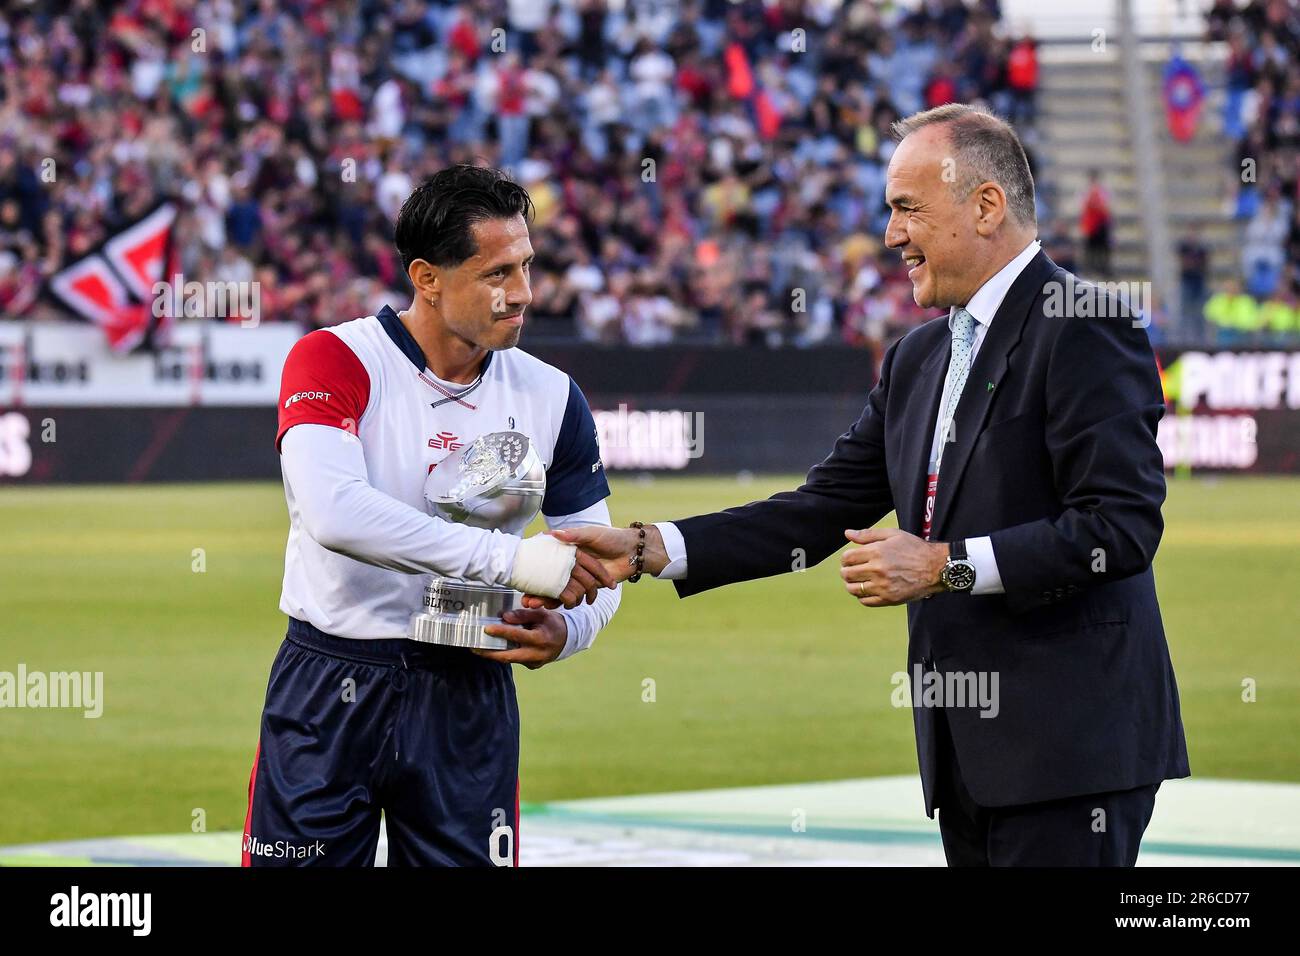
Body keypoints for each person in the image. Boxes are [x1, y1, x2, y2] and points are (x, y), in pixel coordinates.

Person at [555, 105, 1189, 867]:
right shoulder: (919, 356)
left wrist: (944, 564)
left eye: (907, 209)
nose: (891, 235)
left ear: (986, 206)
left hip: (1073, 755)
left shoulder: (1085, 323)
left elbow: (1117, 530)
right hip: (968, 761)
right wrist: (649, 546)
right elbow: (821, 509)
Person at [243, 165, 620, 867]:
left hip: (468, 686)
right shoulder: (334, 358)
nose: (523, 295)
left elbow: (596, 556)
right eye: (497, 273)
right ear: (427, 277)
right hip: (332, 679)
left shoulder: (552, 395)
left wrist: (569, 628)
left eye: (527, 267)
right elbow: (336, 513)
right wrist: (512, 560)